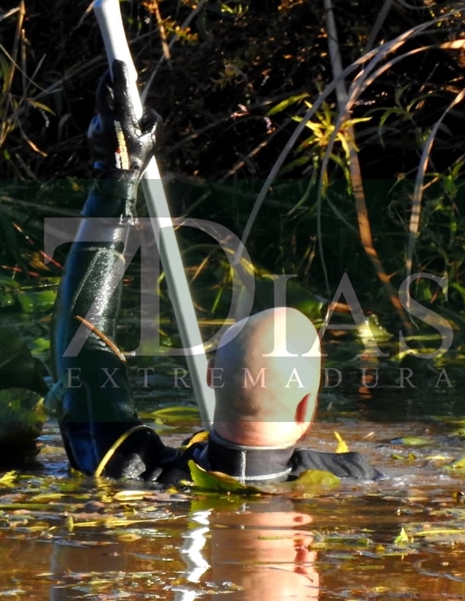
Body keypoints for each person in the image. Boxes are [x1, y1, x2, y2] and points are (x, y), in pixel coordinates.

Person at [53, 61, 381, 484]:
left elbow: (83, 339)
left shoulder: (133, 468)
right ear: (305, 409)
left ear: (211, 378)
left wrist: (115, 176)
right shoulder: (354, 476)